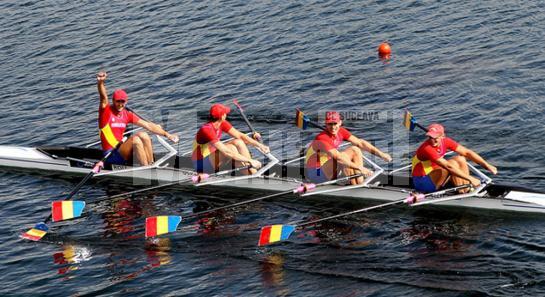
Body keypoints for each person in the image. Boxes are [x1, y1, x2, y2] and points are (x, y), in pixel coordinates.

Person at [96, 72, 179, 166]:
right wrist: (101, 82)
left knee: (143, 134)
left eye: (122, 101)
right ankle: (146, 168)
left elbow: (148, 125)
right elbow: (103, 98)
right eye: (117, 101)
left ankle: (151, 163)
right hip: (111, 154)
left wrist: (167, 135)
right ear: (113, 101)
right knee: (135, 139)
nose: (120, 104)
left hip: (122, 150)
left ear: (126, 101)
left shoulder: (127, 114)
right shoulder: (106, 113)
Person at [305, 111, 392, 185]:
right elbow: (339, 158)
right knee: (342, 156)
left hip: (327, 168)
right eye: (329, 124)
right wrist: (360, 168)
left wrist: (382, 155)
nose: (332, 127)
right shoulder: (322, 138)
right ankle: (355, 186)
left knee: (355, 149)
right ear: (326, 124)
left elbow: (360, 143)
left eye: (335, 123)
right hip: (316, 173)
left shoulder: (341, 131)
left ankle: (360, 183)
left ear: (340, 123)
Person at [411, 123, 497, 193]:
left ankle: (467, 188)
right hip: (422, 181)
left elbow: (467, 152)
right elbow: (448, 166)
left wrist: (487, 165)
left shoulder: (446, 141)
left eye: (436, 138)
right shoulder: (427, 148)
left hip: (435, 174)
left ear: (442, 136)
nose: (433, 140)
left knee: (460, 159)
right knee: (451, 164)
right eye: (430, 137)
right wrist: (471, 178)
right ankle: (462, 191)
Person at [192, 103, 270, 175]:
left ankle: (254, 172)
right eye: (225, 113)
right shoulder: (206, 129)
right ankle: (253, 177)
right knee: (231, 148)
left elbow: (240, 136)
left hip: (213, 159)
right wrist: (250, 161)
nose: (226, 114)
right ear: (222, 116)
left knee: (238, 142)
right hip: (201, 165)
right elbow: (226, 152)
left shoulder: (222, 123)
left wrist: (260, 145)